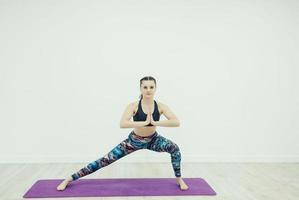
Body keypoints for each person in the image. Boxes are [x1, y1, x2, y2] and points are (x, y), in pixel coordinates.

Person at [56, 76, 189, 191]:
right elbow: (123, 123)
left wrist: (155, 122)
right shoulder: (133, 106)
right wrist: (143, 123)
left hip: (153, 141)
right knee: (105, 160)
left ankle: (179, 179)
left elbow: (176, 122)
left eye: (151, 87)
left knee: (174, 148)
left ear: (155, 88)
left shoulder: (160, 106)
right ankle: (69, 178)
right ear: (141, 89)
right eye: (145, 87)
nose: (148, 90)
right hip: (133, 142)